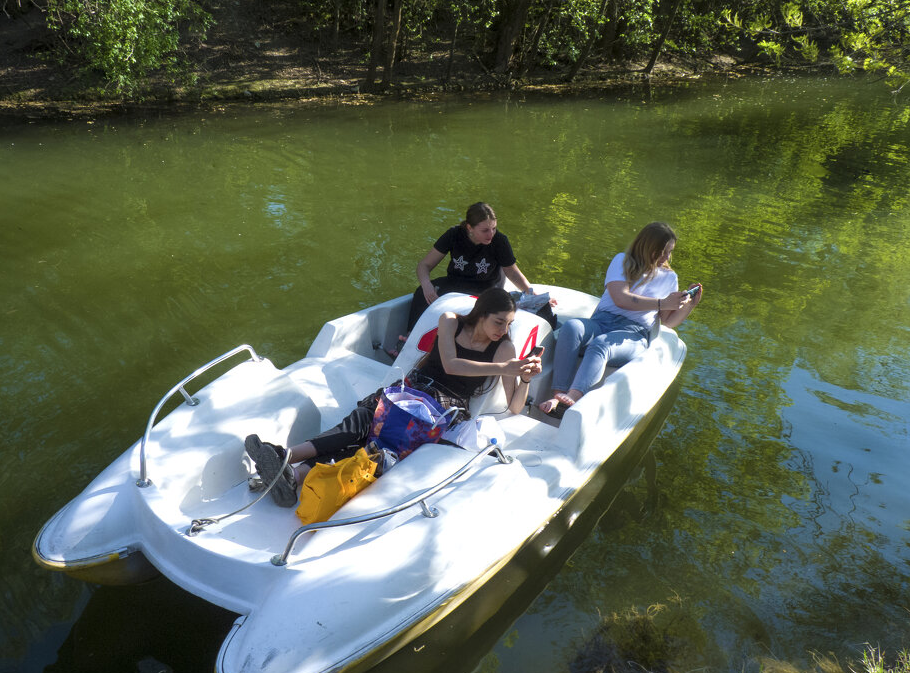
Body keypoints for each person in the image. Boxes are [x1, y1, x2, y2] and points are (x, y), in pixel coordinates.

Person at [246, 287, 542, 506]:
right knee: (362, 422)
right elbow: (451, 364)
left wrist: (525, 377)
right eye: (499, 322)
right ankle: (288, 464)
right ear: (481, 315)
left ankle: (289, 468)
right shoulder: (450, 321)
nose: (503, 330)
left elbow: (515, 407)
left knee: (378, 444)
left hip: (440, 410)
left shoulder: (504, 349)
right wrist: (505, 367)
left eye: (509, 324)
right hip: (409, 389)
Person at [539, 221, 703, 418]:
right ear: (647, 246)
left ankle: (571, 398)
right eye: (662, 251)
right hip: (601, 321)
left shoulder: (670, 278)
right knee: (572, 327)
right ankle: (558, 394)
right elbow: (621, 299)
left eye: (670, 252)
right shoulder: (622, 261)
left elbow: (668, 322)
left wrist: (689, 305)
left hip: (633, 334)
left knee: (601, 344)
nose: (666, 257)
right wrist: (662, 302)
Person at [405, 203, 536, 333]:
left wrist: (533, 294)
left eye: (494, 228)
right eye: (485, 230)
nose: (491, 234)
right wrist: (426, 285)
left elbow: (512, 273)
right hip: (454, 283)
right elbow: (424, 265)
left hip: (485, 289)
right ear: (470, 228)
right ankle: (409, 337)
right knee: (421, 293)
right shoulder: (454, 234)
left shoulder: (500, 241)